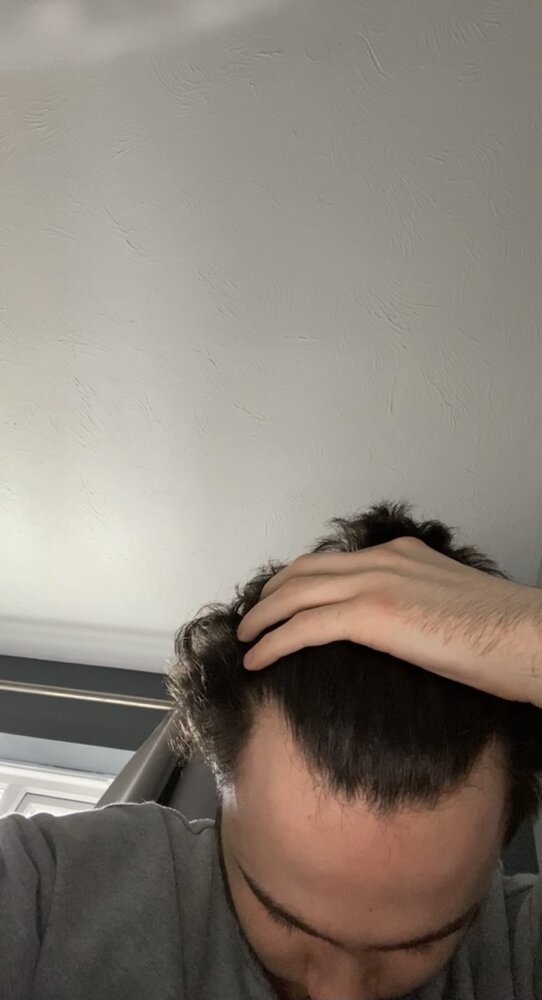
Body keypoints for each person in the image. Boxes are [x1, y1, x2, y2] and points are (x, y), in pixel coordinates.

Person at [1, 499, 542, 1000]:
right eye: (284, 920)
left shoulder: (522, 951)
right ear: (222, 790)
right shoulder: (46, 891)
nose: (337, 995)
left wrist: (523, 632)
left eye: (417, 945)